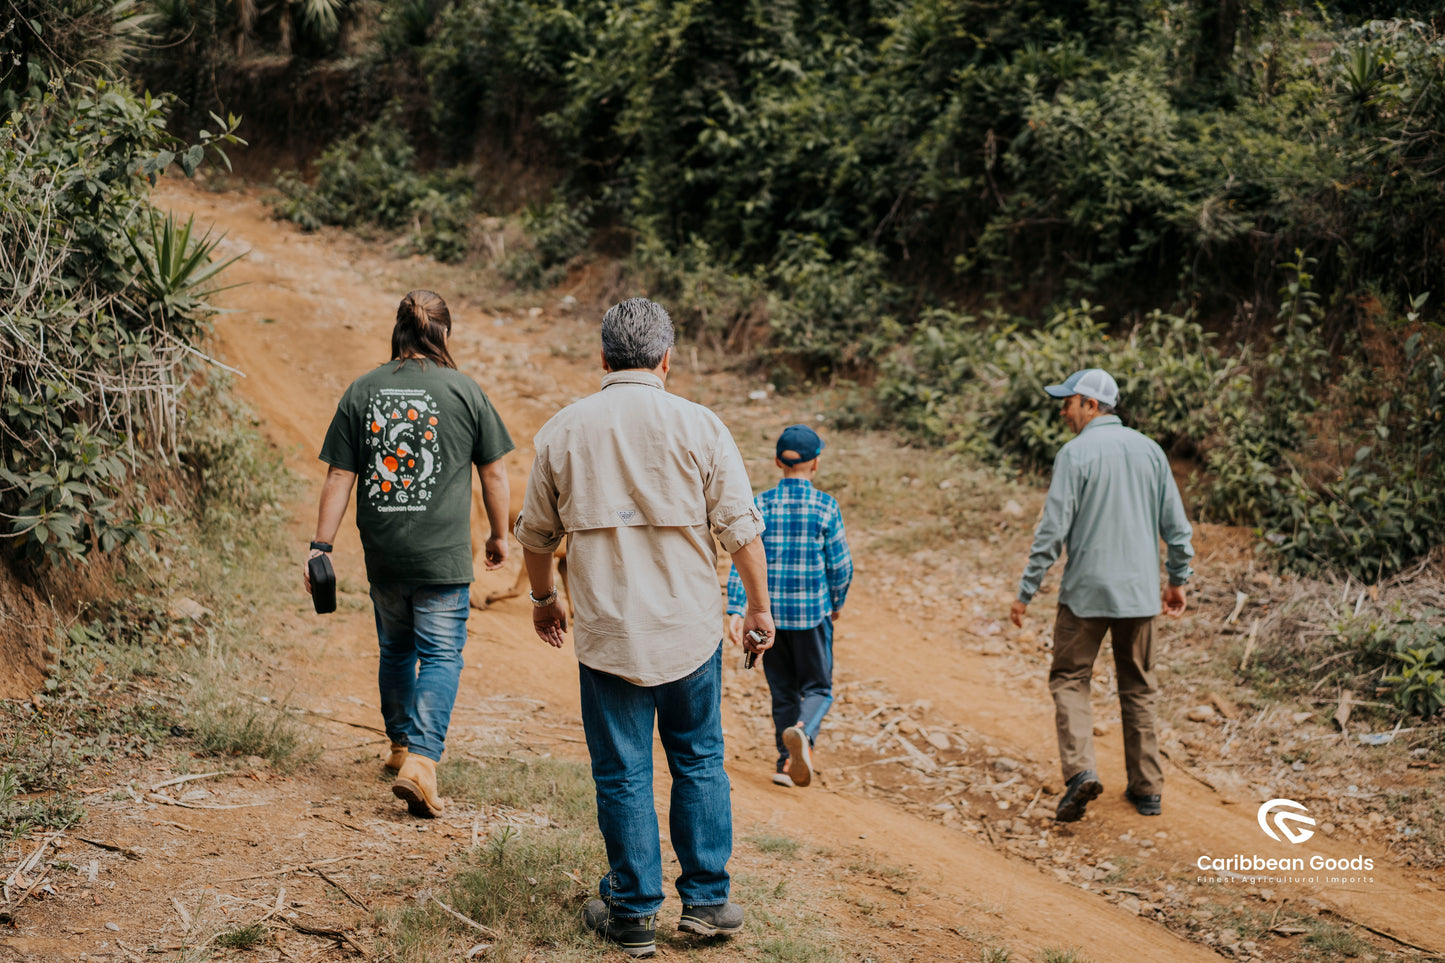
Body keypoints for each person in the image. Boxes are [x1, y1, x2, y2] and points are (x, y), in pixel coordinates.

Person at [514, 297, 773, 959]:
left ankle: (631, 913)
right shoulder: (701, 425)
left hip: (608, 636)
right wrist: (759, 608)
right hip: (687, 632)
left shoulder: (563, 430)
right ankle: (707, 903)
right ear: (666, 358)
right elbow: (740, 532)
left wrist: (545, 597)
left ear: (601, 358)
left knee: (623, 774)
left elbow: (536, 536)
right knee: (698, 760)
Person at [305, 290, 513, 819]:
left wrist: (319, 547)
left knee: (395, 650)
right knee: (441, 655)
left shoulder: (363, 390)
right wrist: (498, 535)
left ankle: (399, 746)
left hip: (386, 556)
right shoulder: (465, 391)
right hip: (442, 558)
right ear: (443, 333)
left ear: (398, 330)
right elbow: (494, 471)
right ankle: (421, 761)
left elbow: (339, 475)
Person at [1008, 368, 1194, 823]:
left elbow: (1052, 531)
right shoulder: (1150, 451)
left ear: (1091, 406)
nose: (1063, 410)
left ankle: (1081, 772)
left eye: (1068, 402)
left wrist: (1026, 590)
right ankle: (1148, 789)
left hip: (1085, 596)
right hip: (1139, 597)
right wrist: (1177, 578)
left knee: (1070, 679)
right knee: (1139, 688)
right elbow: (1176, 526)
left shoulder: (1075, 454)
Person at [725, 423, 852, 789]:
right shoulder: (826, 506)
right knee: (818, 688)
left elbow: (743, 556)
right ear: (816, 464)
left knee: (783, 691)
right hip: (812, 616)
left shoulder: (760, 504)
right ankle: (803, 732)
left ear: (778, 462)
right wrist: (836, 603)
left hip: (769, 618)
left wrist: (737, 607)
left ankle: (785, 763)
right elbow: (841, 567)